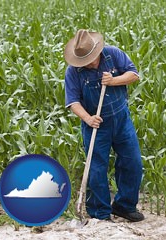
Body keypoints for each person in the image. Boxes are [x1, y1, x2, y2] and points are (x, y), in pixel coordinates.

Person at [63, 29, 144, 222]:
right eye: (84, 60)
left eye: (90, 58)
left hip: (121, 119)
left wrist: (114, 80)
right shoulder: (73, 72)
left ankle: (124, 206)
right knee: (97, 169)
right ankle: (100, 212)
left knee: (132, 162)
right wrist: (88, 118)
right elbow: (72, 101)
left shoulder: (113, 54)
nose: (89, 63)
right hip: (96, 125)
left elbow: (134, 75)